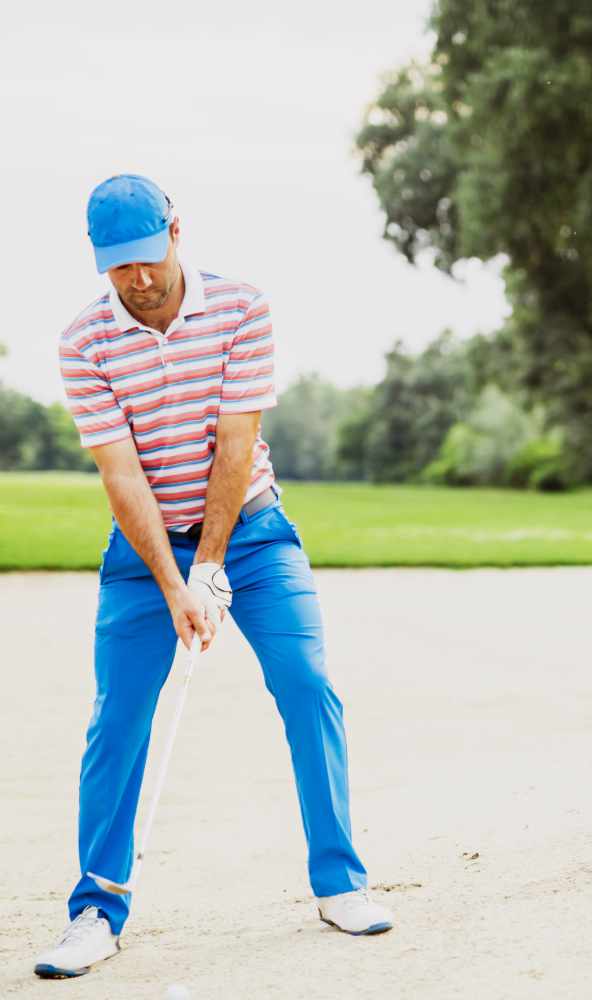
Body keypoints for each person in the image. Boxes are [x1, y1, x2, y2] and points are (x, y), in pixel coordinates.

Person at [34, 174, 392, 980]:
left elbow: (235, 447)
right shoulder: (82, 342)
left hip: (254, 535)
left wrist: (212, 565)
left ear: (176, 232)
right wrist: (173, 583)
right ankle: (95, 909)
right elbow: (124, 479)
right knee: (117, 720)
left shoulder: (241, 308)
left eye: (146, 258)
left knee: (308, 685)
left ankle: (341, 882)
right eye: (118, 266)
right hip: (144, 551)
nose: (138, 279)